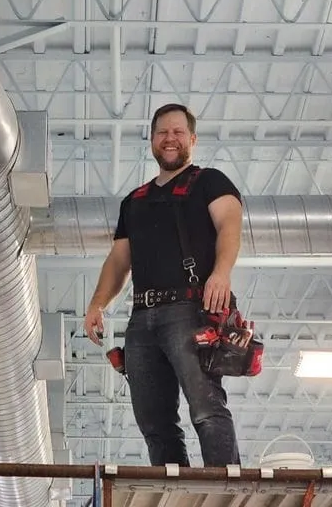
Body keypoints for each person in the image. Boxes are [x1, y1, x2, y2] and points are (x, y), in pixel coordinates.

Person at [83, 102, 244, 468]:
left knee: (206, 407)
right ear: (152, 141)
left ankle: (226, 489)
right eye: (162, 133)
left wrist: (221, 272)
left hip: (190, 310)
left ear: (192, 139)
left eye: (177, 132)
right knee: (154, 422)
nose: (169, 139)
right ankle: (179, 491)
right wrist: (98, 304)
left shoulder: (209, 181)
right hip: (142, 321)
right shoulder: (134, 202)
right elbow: (119, 260)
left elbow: (229, 225)